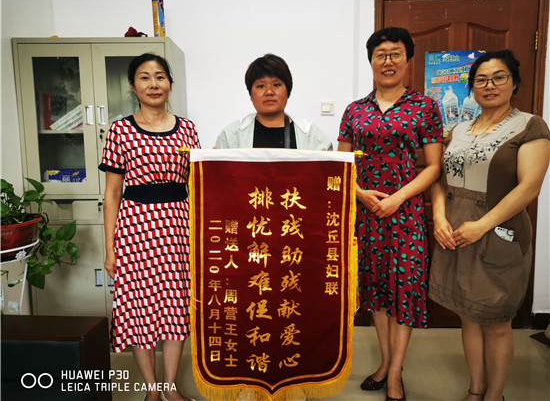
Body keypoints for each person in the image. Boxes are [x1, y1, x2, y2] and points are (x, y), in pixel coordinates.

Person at [429, 50, 550, 401]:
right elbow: (439, 180)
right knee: (468, 316)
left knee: (496, 322)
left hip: (498, 235)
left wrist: (481, 226)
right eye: (481, 79)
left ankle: (495, 395)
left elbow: (529, 187)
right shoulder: (458, 129)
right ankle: (475, 389)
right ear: (472, 88)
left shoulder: (530, 126)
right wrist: (439, 217)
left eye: (499, 77)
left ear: (515, 82)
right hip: (455, 234)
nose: (490, 85)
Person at [337, 27, 443, 401]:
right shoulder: (355, 110)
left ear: (407, 60)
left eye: (396, 53)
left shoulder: (425, 107)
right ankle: (385, 363)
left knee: (404, 290)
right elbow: (341, 164)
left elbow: (433, 166)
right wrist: (360, 194)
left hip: (406, 213)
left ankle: (395, 373)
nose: (388, 61)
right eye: (380, 54)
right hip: (366, 214)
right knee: (377, 291)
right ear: (371, 61)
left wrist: (397, 198)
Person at [99, 53, 200, 401]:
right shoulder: (120, 130)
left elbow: (200, 183)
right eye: (144, 77)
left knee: (175, 310)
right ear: (132, 86)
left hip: (178, 230)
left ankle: (170, 388)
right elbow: (112, 194)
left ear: (170, 83)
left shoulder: (188, 129)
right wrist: (110, 248)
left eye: (160, 77)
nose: (153, 84)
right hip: (135, 230)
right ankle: (152, 391)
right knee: (138, 309)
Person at [215, 53, 332, 150]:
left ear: (288, 91)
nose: (269, 92)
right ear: (250, 94)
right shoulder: (231, 136)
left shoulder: (312, 136)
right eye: (261, 86)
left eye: (276, 85)